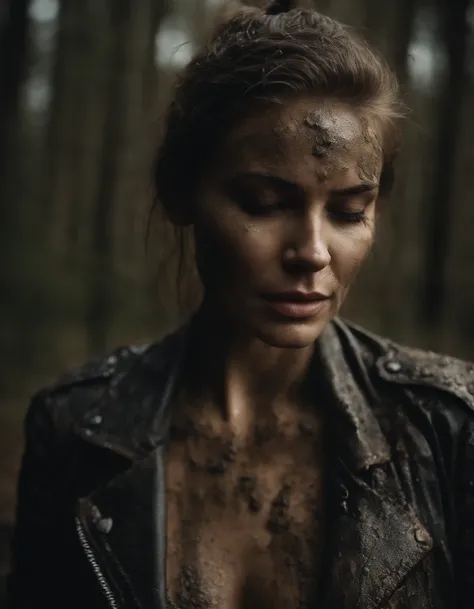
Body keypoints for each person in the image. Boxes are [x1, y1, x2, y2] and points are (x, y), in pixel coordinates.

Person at [7, 2, 474, 608]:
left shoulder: (448, 428)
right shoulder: (75, 433)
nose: (312, 252)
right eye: (262, 202)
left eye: (349, 212)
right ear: (182, 192)